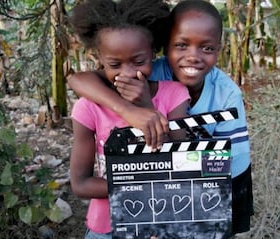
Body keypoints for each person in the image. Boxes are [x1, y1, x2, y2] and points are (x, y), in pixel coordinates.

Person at [68, 0, 254, 235]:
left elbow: (214, 169)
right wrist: (129, 111)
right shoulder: (148, 69)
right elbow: (78, 80)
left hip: (222, 176)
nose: (193, 57)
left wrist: (148, 107)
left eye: (206, 48)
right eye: (181, 45)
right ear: (164, 47)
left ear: (219, 48)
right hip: (142, 202)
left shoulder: (226, 95)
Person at [68, 0, 190, 238]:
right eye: (114, 64)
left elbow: (179, 166)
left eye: (139, 61)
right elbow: (80, 184)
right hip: (106, 227)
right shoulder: (88, 108)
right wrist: (137, 184)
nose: (127, 73)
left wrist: (145, 107)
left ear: (153, 53)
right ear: (100, 58)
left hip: (159, 223)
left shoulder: (174, 95)